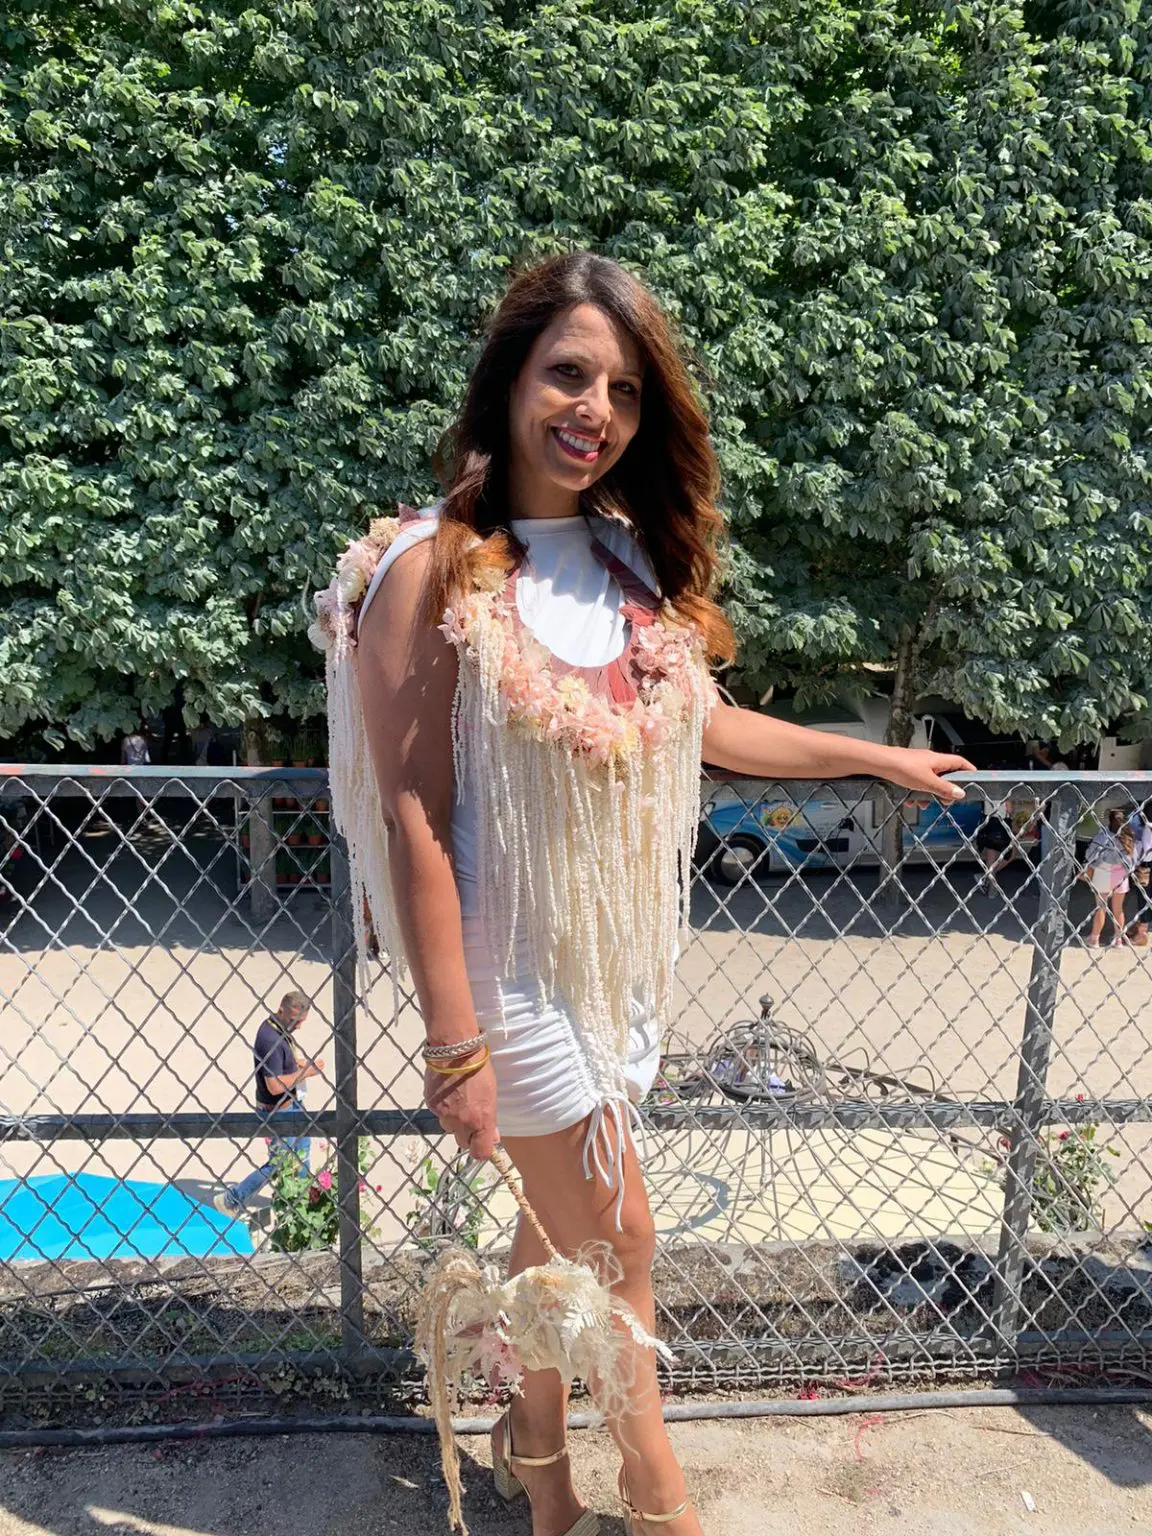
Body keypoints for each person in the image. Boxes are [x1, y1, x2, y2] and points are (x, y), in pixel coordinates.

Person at [312, 253, 973, 1536]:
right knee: (624, 1236)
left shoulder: (622, 560)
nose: (595, 409)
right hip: (499, 970)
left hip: (606, 969)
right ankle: (659, 1494)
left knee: (554, 1242)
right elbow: (411, 812)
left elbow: (701, 723)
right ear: (510, 382)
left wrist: (873, 757)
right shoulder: (430, 566)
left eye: (622, 389)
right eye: (568, 373)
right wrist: (451, 1042)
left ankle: (537, 1458)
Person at [213, 989, 323, 1215]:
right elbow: (274, 1086)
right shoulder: (270, 1039)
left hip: (292, 1103)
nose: (299, 1026)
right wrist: (307, 1073)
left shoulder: (278, 1027)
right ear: (281, 1010)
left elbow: (281, 1061)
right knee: (279, 1162)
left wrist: (297, 1064)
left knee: (302, 1149)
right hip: (277, 1110)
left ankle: (300, 1201)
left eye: (302, 1021)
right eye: (295, 1020)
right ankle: (231, 1200)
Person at [1080, 809, 1135, 947]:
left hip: (1103, 874)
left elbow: (1090, 855)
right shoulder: (1128, 838)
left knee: (1101, 908)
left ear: (1109, 821)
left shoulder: (1103, 837)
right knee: (1118, 910)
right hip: (1120, 877)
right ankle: (1118, 939)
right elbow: (1132, 859)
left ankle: (1094, 939)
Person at [1126, 802, 1152, 947]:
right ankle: (1140, 927)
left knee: (1144, 897)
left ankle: (1142, 933)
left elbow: (1147, 849)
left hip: (1146, 865)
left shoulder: (1148, 828)